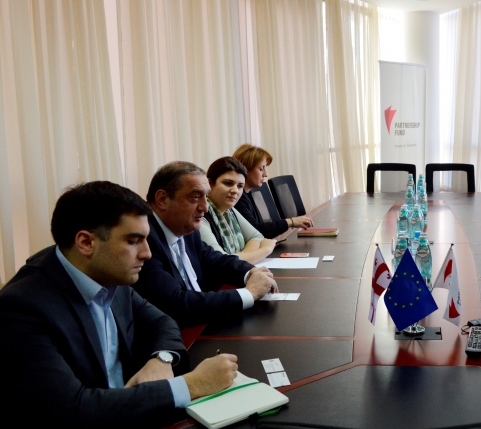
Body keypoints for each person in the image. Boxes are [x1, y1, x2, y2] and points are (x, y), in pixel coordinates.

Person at [0, 182, 239, 428]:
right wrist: (192, 385)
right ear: (86, 243)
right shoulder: (21, 308)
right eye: (134, 241)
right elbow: (73, 410)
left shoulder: (108, 271)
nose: (147, 253)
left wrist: (161, 359)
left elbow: (161, 321)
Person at [134, 161, 278, 328]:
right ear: (162, 199)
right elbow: (177, 303)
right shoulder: (143, 240)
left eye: (206, 196)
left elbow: (216, 260)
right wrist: (250, 293)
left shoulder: (186, 228)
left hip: (203, 322)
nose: (205, 208)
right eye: (196, 197)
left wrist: (250, 272)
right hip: (180, 331)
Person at [200, 156, 277, 264]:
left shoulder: (229, 210)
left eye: (240, 186)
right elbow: (222, 262)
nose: (235, 190)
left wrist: (240, 258)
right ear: (210, 183)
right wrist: (266, 250)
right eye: (228, 183)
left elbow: (257, 237)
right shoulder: (200, 216)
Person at [232, 144, 313, 238]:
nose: (265, 174)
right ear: (245, 169)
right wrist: (291, 221)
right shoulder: (237, 198)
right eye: (261, 169)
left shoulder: (248, 194)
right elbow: (257, 231)